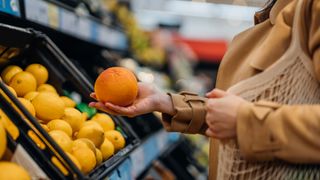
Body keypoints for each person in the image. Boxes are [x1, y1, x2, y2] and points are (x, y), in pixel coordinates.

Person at [89, 0, 320, 179]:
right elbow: (247, 111)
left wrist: (246, 120)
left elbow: (247, 118)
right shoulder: (279, 12)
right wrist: (166, 103)